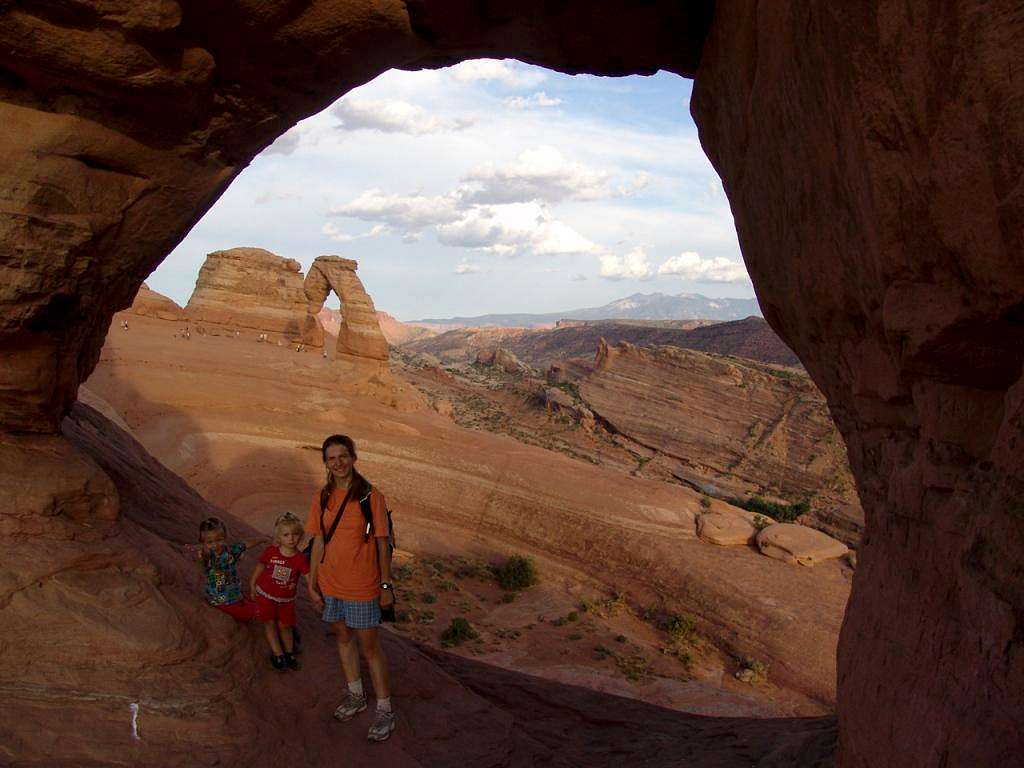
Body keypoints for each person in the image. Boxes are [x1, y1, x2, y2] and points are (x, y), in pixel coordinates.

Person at [307, 434, 396, 742]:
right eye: (332, 458)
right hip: (330, 582)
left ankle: (385, 711)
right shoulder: (321, 497)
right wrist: (311, 582)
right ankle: (356, 695)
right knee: (343, 639)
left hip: (362, 585)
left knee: (369, 648)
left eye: (343, 456)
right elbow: (318, 540)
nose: (339, 463)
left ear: (354, 458)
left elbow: (383, 545)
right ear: (326, 463)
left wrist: (385, 585)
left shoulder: (371, 496)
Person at [249, 512, 310, 671]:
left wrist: (314, 591)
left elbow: (307, 575)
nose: (291, 539)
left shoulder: (299, 558)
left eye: (295, 535)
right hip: (266, 595)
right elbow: (261, 566)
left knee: (285, 626)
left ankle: (289, 653)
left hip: (285, 600)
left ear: (301, 536)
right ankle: (278, 654)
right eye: (286, 535)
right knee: (269, 623)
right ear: (279, 537)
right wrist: (252, 583)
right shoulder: (271, 552)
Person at [190, 517, 267, 621]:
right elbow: (204, 553)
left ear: (225, 538)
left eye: (219, 540)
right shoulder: (208, 555)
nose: (215, 545)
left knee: (258, 604)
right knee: (254, 613)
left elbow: (245, 545)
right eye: (209, 542)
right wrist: (199, 547)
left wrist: (262, 539)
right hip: (221, 601)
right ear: (203, 543)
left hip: (235, 594)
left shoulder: (230, 551)